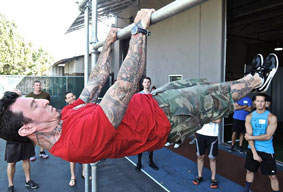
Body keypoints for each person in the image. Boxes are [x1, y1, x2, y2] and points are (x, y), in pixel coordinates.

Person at [0, 9, 279, 166]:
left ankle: (250, 79)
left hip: (153, 102)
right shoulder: (75, 144)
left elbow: (95, 84)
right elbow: (122, 89)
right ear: (27, 128)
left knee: (204, 85)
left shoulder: (62, 116)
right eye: (34, 105)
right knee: (215, 98)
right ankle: (257, 81)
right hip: (166, 121)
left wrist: (107, 49)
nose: (45, 102)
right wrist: (139, 31)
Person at [235, 93, 282, 192]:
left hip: (267, 151)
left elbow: (268, 136)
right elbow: (249, 135)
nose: (260, 103)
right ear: (254, 103)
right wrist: (255, 153)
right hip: (253, 150)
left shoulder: (271, 117)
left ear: (265, 103)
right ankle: (246, 191)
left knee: (273, 176)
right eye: (258, 101)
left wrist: (251, 137)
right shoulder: (249, 117)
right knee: (250, 171)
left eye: (262, 101)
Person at [4, 89, 39, 192]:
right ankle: (11, 185)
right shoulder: (6, 109)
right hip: (13, 139)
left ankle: (28, 180)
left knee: (26, 159)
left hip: (25, 138)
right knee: (11, 163)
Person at [135, 77, 159, 172]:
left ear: (150, 83)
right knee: (141, 143)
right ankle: (139, 163)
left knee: (151, 143)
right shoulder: (138, 95)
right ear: (142, 84)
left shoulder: (153, 95)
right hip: (142, 123)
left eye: (148, 82)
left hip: (152, 122)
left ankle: (151, 161)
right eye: (145, 82)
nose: (146, 83)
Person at [64, 91, 86, 186]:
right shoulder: (66, 110)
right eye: (69, 97)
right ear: (66, 100)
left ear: (75, 96)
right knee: (72, 156)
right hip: (72, 135)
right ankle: (73, 177)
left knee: (84, 154)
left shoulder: (82, 105)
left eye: (72, 96)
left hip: (83, 134)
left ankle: (84, 173)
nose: (71, 98)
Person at [192, 119, 221, 189]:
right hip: (200, 133)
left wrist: (205, 118)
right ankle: (199, 176)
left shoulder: (217, 107)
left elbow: (218, 120)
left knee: (212, 157)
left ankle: (213, 179)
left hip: (212, 135)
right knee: (199, 156)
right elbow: (197, 117)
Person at [26, 80, 50, 160]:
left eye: (39, 85)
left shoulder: (45, 95)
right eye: (36, 85)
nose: (38, 86)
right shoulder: (29, 96)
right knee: (33, 137)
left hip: (43, 119)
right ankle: (32, 153)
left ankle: (42, 152)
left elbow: (48, 106)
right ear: (33, 86)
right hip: (33, 120)